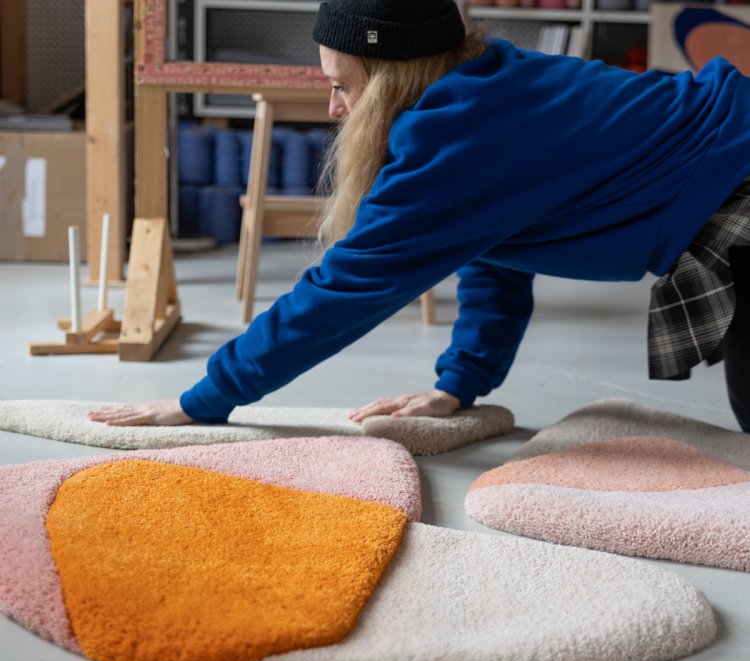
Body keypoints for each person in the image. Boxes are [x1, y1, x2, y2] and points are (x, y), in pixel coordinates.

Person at [89, 0, 750, 432]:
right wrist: (460, 385)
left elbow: (342, 291)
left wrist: (201, 400)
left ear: (390, 78)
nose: (332, 109)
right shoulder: (488, 86)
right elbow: (498, 249)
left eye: (342, 84)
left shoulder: (452, 137)